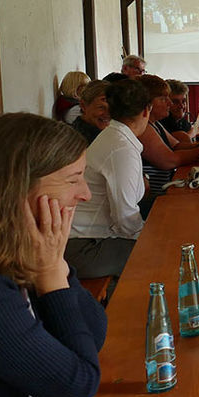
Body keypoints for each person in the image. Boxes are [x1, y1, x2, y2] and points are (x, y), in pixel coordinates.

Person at [0, 113, 106, 397]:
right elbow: (79, 383)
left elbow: (96, 331)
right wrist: (50, 276)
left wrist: (55, 266)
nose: (85, 194)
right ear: (19, 187)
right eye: (73, 179)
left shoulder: (19, 253)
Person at [65, 79, 151, 279]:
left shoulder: (115, 136)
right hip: (84, 246)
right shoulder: (120, 147)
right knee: (159, 252)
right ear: (146, 111)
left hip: (90, 238)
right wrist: (148, 235)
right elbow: (124, 215)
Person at [136, 75, 199, 214]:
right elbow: (169, 160)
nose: (169, 104)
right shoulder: (143, 128)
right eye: (163, 99)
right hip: (155, 199)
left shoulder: (154, 123)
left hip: (167, 188)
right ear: (147, 103)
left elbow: (177, 145)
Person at [70, 79, 111, 144]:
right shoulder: (75, 141)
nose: (108, 114)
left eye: (112, 108)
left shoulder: (109, 133)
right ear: (83, 106)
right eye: (101, 107)